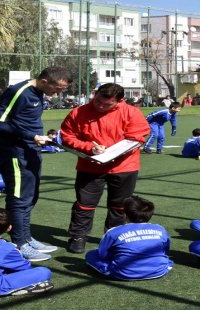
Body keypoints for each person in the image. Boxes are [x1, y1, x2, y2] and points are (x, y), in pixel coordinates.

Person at [0, 67, 71, 261]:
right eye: (57, 88)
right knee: (19, 197)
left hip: (31, 150)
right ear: (44, 81)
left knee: (30, 196)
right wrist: (31, 136)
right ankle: (19, 244)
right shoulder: (18, 91)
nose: (58, 93)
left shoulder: (39, 92)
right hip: (15, 153)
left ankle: (26, 237)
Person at [60, 83, 150, 254]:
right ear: (95, 94)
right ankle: (78, 237)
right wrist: (89, 148)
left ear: (119, 101)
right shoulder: (78, 112)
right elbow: (67, 136)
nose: (100, 106)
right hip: (90, 166)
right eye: (97, 101)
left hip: (124, 166)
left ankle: (113, 237)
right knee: (84, 204)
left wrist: (119, 150)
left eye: (107, 104)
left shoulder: (132, 112)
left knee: (119, 206)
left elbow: (138, 137)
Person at [85, 196, 173, 280]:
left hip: (124, 273)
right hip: (160, 270)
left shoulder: (114, 232)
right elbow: (165, 250)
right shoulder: (160, 229)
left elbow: (102, 254)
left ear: (125, 216)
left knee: (91, 255)